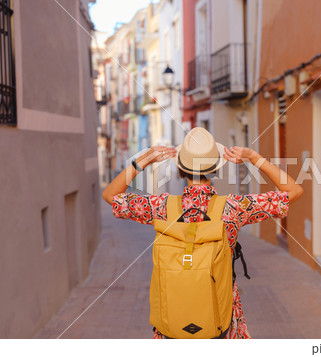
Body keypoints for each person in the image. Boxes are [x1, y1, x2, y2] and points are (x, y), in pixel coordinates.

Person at [102, 127, 304, 339]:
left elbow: (110, 195)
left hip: (173, 321)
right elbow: (294, 191)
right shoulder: (234, 208)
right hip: (222, 320)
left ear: (180, 170)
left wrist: (140, 162)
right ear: (216, 169)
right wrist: (254, 157)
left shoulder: (161, 207)